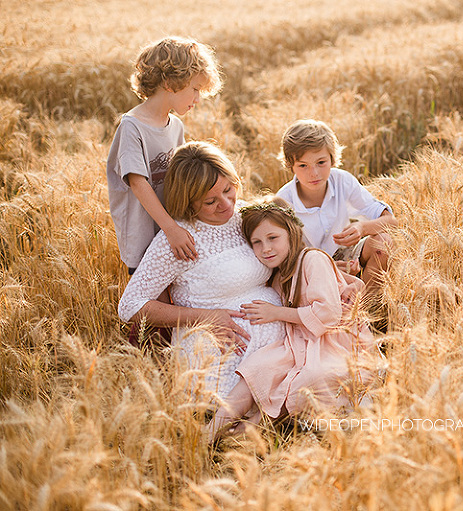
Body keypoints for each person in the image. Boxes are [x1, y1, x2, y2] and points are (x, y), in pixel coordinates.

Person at [118, 142, 284, 398]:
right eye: (210, 201)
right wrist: (205, 317)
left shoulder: (246, 216)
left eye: (228, 189)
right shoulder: (178, 240)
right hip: (216, 354)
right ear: (189, 203)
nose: (225, 204)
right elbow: (130, 306)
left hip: (278, 344)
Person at [207, 197, 380, 441]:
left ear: (291, 234)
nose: (266, 248)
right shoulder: (278, 273)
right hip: (301, 339)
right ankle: (208, 433)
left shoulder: (312, 259)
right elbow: (345, 280)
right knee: (257, 367)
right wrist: (355, 283)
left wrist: (275, 312)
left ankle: (248, 433)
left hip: (334, 339)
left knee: (310, 377)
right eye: (257, 242)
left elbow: (328, 313)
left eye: (273, 238)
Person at [106, 36, 223, 274]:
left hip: (171, 231)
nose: (198, 99)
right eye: (195, 89)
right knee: (152, 294)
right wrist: (171, 229)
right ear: (170, 83)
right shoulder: (132, 126)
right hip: (144, 236)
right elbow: (138, 183)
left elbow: (181, 178)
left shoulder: (175, 126)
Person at [275, 119, 397, 299]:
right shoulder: (283, 201)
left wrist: (361, 228)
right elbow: (285, 261)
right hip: (307, 265)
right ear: (290, 165)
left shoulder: (342, 181)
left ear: (332, 159)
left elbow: (391, 222)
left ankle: (364, 308)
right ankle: (335, 308)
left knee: (383, 243)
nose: (314, 173)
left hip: (344, 253)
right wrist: (328, 268)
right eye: (303, 165)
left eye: (321, 162)